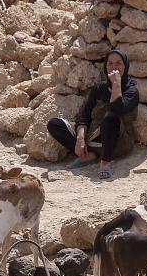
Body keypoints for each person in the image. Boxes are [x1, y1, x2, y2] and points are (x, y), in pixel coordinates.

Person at [47, 49, 139, 180]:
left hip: (118, 143)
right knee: (55, 124)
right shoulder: (99, 88)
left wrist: (117, 85)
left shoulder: (132, 91)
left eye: (118, 63)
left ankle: (105, 162)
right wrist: (80, 139)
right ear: (106, 66)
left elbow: (117, 108)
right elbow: (83, 115)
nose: (114, 67)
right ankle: (89, 154)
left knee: (110, 117)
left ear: (125, 66)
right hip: (93, 138)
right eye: (110, 63)